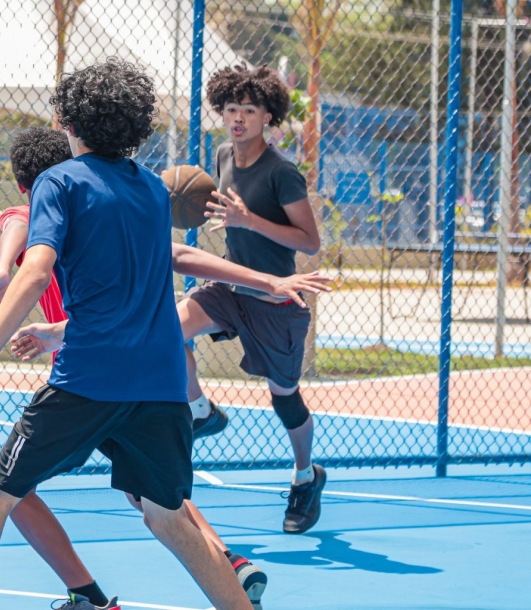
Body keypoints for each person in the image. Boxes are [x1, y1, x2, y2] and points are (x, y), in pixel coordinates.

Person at [0, 59, 255, 610]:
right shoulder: (155, 192)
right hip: (159, 386)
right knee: (169, 517)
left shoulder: (59, 182)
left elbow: (35, 272)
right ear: (136, 125)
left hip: (87, 381)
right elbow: (166, 264)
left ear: (69, 121)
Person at [0, 126, 333, 609]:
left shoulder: (50, 199)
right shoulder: (107, 206)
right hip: (137, 370)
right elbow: (173, 254)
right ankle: (227, 563)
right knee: (157, 502)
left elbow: (20, 229)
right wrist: (266, 279)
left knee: (5, 490)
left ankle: (89, 596)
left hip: (86, 375)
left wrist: (2, 281)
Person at [181, 64, 327, 535]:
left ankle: (306, 476)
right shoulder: (223, 154)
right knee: (164, 329)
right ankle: (201, 410)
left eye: (249, 110)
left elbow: (309, 242)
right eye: (231, 109)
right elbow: (227, 215)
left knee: (284, 398)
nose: (238, 118)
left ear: (268, 116)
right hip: (230, 287)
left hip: (274, 298)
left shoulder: (282, 173)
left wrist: (250, 223)